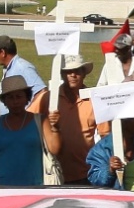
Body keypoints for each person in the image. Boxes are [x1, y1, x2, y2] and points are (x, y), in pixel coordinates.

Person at [39, 54, 98, 186]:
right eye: (68, 72)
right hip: (54, 172)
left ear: (84, 73)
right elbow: (30, 119)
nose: (72, 75)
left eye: (77, 71)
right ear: (61, 74)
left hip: (86, 172)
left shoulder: (94, 99)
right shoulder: (48, 98)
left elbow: (106, 135)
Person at [0, 74, 43, 187]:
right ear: (4, 101)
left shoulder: (40, 121)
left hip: (33, 186)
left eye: (19, 96)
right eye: (10, 97)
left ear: (27, 98)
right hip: (0, 186)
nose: (15, 101)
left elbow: (55, 149)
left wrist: (55, 127)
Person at [86, 124, 134, 194]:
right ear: (124, 121)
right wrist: (109, 171)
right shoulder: (102, 149)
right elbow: (95, 181)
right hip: (118, 204)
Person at [0, 35, 46, 103]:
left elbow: (42, 92)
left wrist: (29, 111)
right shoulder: (10, 68)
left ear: (2, 52)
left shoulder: (23, 67)